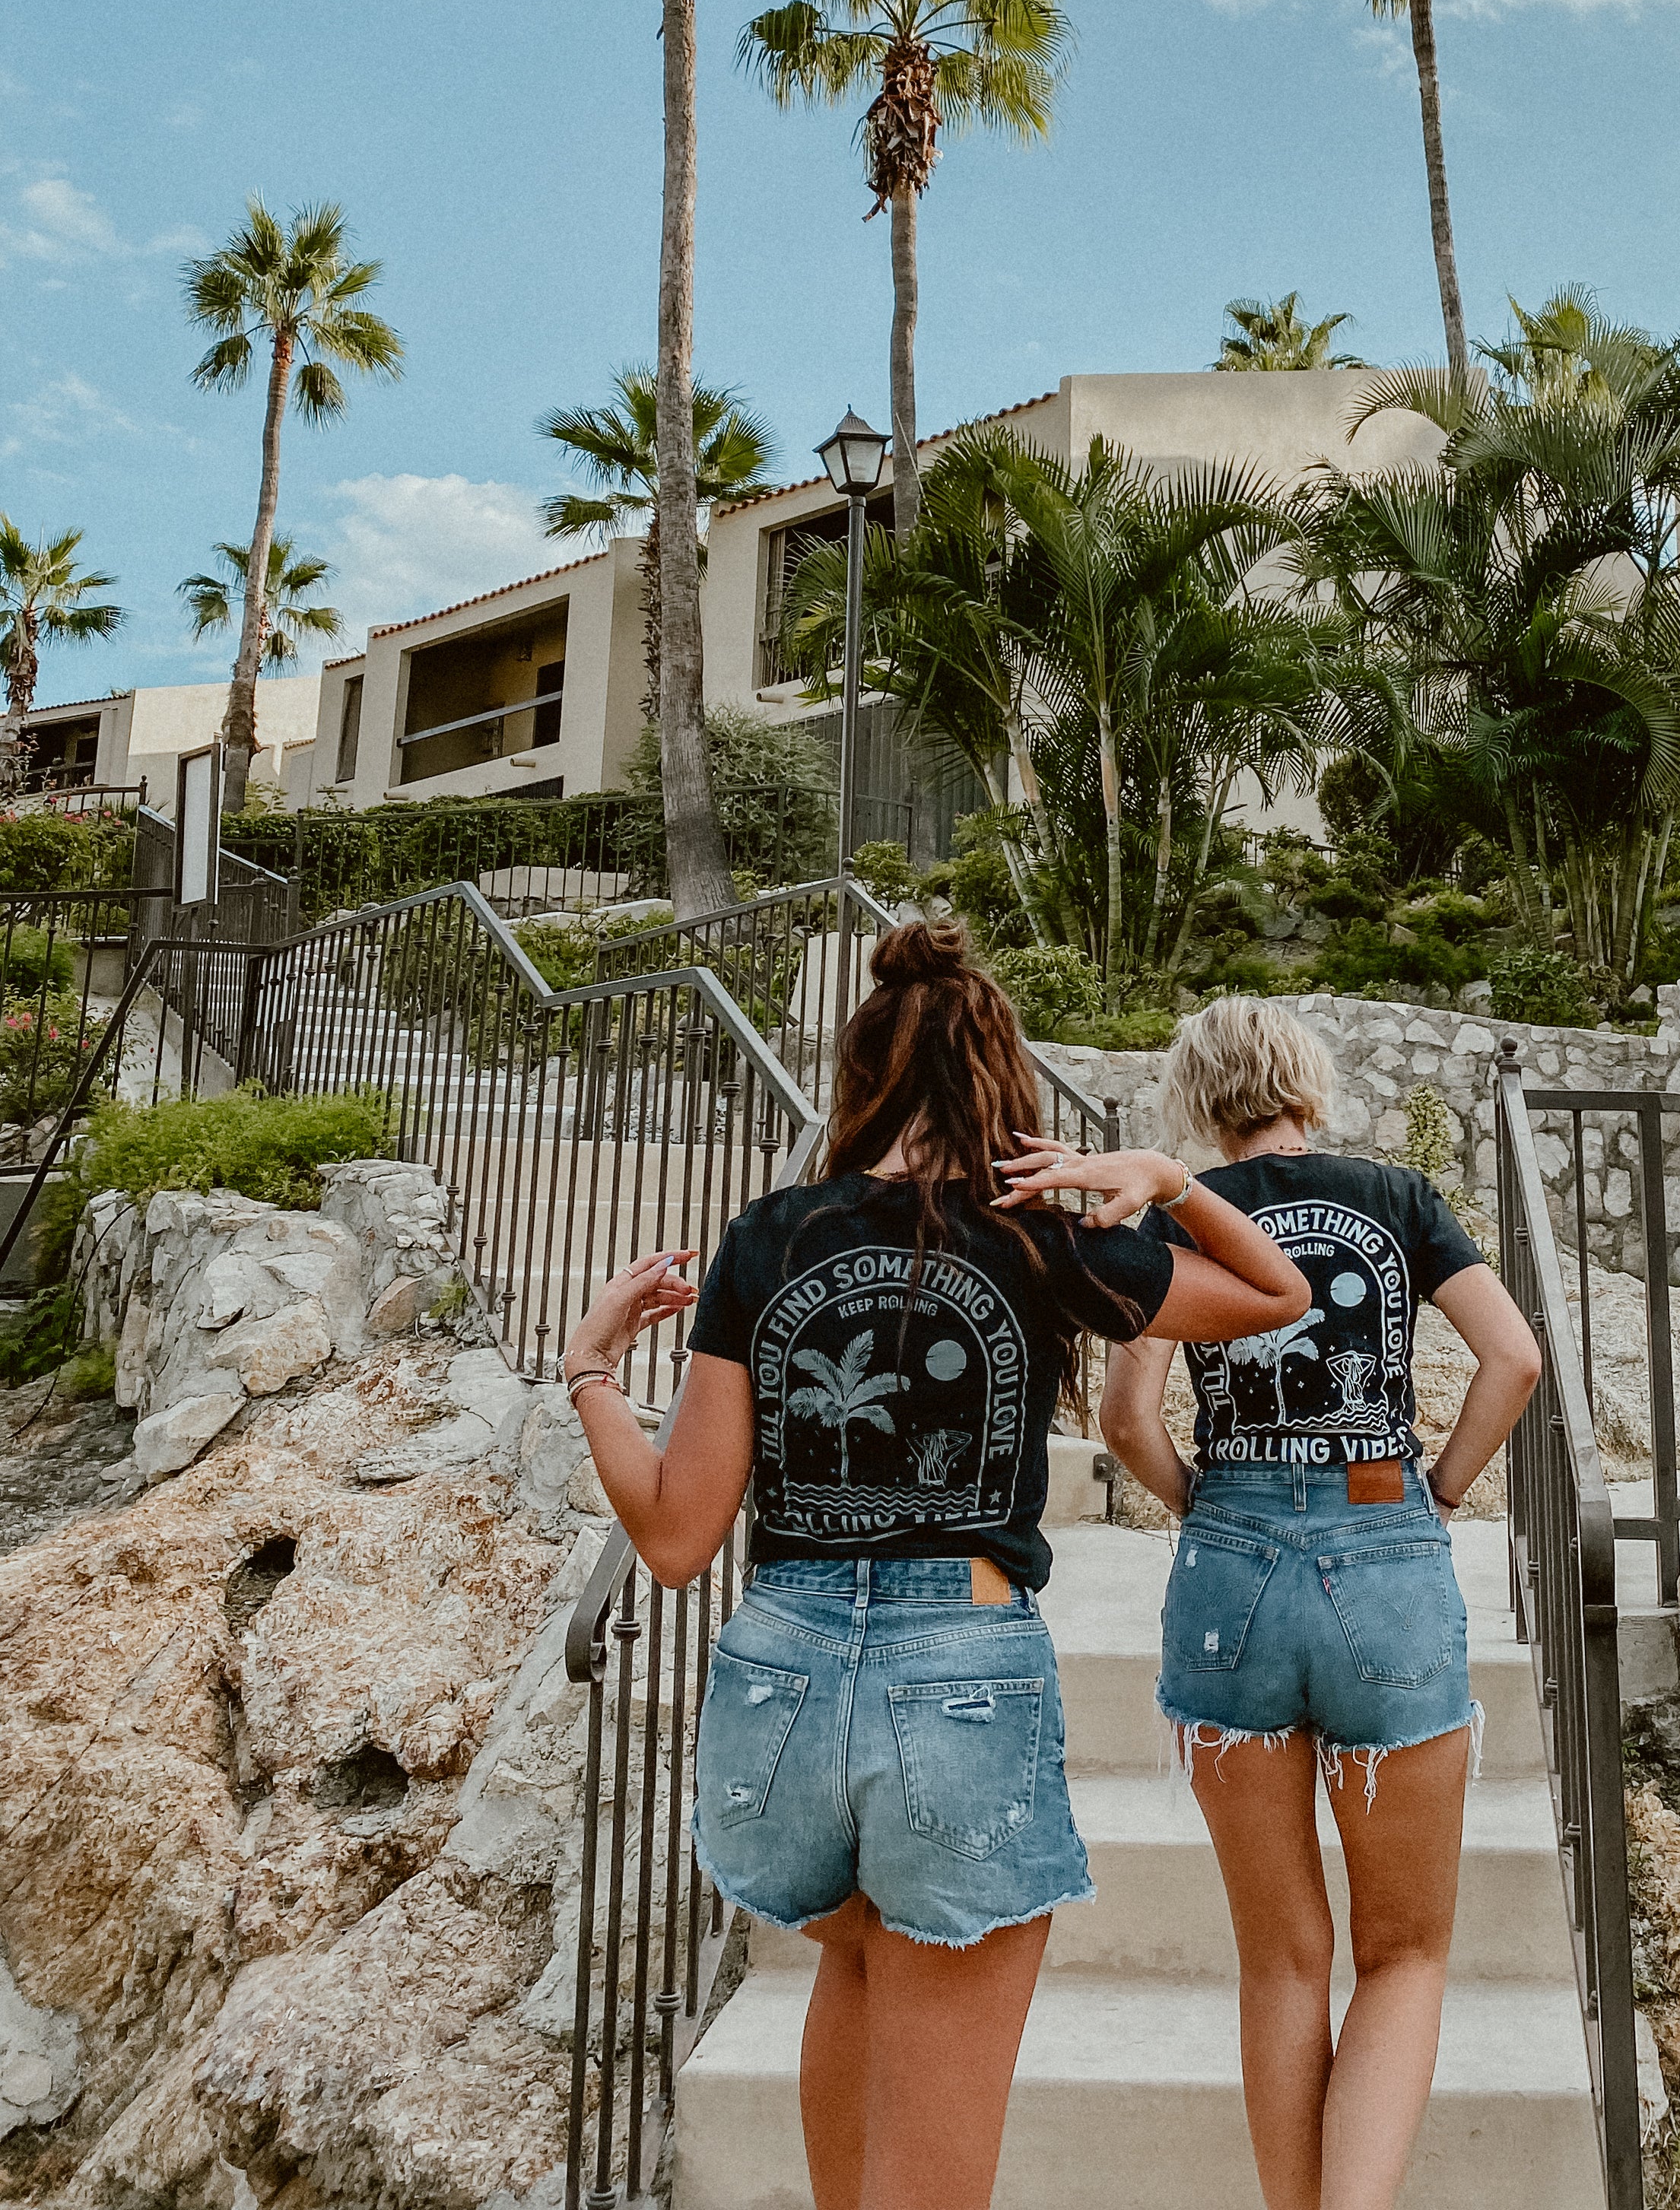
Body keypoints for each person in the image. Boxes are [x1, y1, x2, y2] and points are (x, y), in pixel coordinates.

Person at [554, 919, 1309, 2210]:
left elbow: (675, 1540)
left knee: (853, 1963)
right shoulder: (1036, 1236)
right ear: (999, 1078)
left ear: (862, 1077)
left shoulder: (768, 1238)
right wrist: (1168, 1181)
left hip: (779, 1681)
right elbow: (1276, 1296)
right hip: (956, 1675)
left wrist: (590, 1371)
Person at [1094, 997, 1542, 2210]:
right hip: (1383, 1541)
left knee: (1283, 1964)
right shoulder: (1397, 1197)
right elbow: (1514, 1359)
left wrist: (1210, 1502)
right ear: (1306, 1080)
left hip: (1228, 1564)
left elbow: (1125, 1422)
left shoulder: (1179, 1211)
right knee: (1405, 1954)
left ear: (1199, 1098)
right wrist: (1437, 1491)